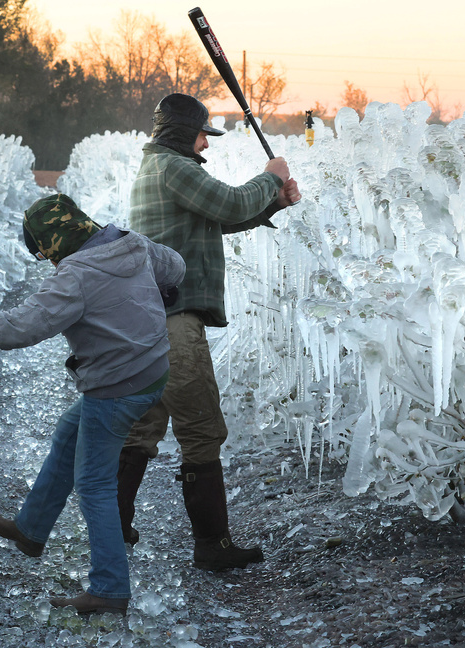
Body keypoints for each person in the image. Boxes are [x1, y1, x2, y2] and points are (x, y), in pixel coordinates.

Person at [0, 193, 185, 615]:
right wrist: (163, 288)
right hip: (152, 370)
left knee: (94, 485)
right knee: (70, 431)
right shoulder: (129, 242)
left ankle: (108, 589)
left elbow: (24, 325)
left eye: (42, 253)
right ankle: (31, 529)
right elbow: (175, 265)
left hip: (117, 384)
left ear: (53, 244)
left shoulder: (75, 275)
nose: (46, 262)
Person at [117, 93, 302, 571]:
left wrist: (273, 206)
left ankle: (112, 523)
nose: (206, 143)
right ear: (182, 134)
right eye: (202, 134)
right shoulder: (175, 168)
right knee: (201, 429)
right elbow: (230, 201)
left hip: (152, 318)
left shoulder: (160, 170)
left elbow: (214, 221)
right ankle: (212, 546)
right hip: (175, 322)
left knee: (145, 426)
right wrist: (272, 177)